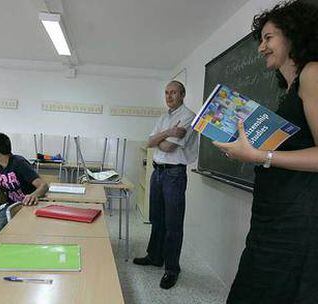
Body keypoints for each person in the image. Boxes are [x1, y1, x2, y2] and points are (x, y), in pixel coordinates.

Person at [213, 1, 318, 302]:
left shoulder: (312, 73)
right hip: (272, 216)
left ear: (293, 35)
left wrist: (261, 156)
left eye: (268, 38)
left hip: (296, 224)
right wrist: (243, 148)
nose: (261, 48)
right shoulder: (287, 89)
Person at [133, 80, 198, 289]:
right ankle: (155, 257)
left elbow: (168, 148)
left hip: (174, 175)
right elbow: (149, 141)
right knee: (157, 219)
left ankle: (171, 269)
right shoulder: (164, 117)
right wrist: (169, 131)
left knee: (173, 224)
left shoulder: (188, 116)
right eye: (167, 93)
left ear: (183, 94)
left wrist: (162, 137)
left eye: (174, 93)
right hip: (157, 172)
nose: (169, 96)